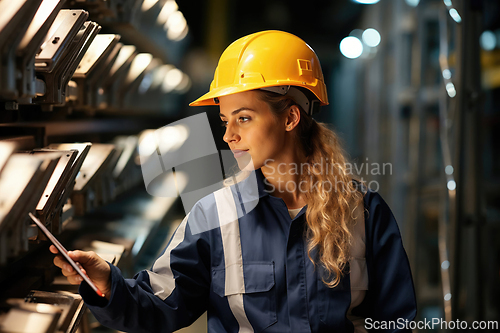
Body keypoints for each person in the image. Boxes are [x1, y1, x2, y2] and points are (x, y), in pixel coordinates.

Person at [51, 30, 417, 332]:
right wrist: (108, 285)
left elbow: (396, 320)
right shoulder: (214, 216)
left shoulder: (363, 213)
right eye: (225, 120)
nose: (228, 136)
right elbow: (159, 306)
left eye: (243, 118)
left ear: (290, 118)